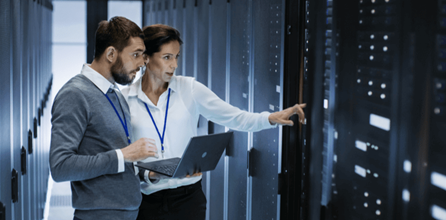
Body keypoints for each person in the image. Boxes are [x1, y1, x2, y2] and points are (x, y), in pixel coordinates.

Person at [121, 24, 306, 220]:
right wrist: (147, 175)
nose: (174, 65)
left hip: (188, 200)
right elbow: (119, 155)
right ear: (146, 57)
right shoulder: (124, 100)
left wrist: (269, 118)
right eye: (167, 57)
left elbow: (234, 117)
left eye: (177, 57)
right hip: (145, 202)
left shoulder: (189, 89)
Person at [49, 16, 159, 220]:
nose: (141, 64)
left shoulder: (115, 94)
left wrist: (147, 173)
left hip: (128, 212)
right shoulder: (74, 95)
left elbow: (114, 153)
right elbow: (60, 167)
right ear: (110, 54)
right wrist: (123, 155)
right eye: (135, 55)